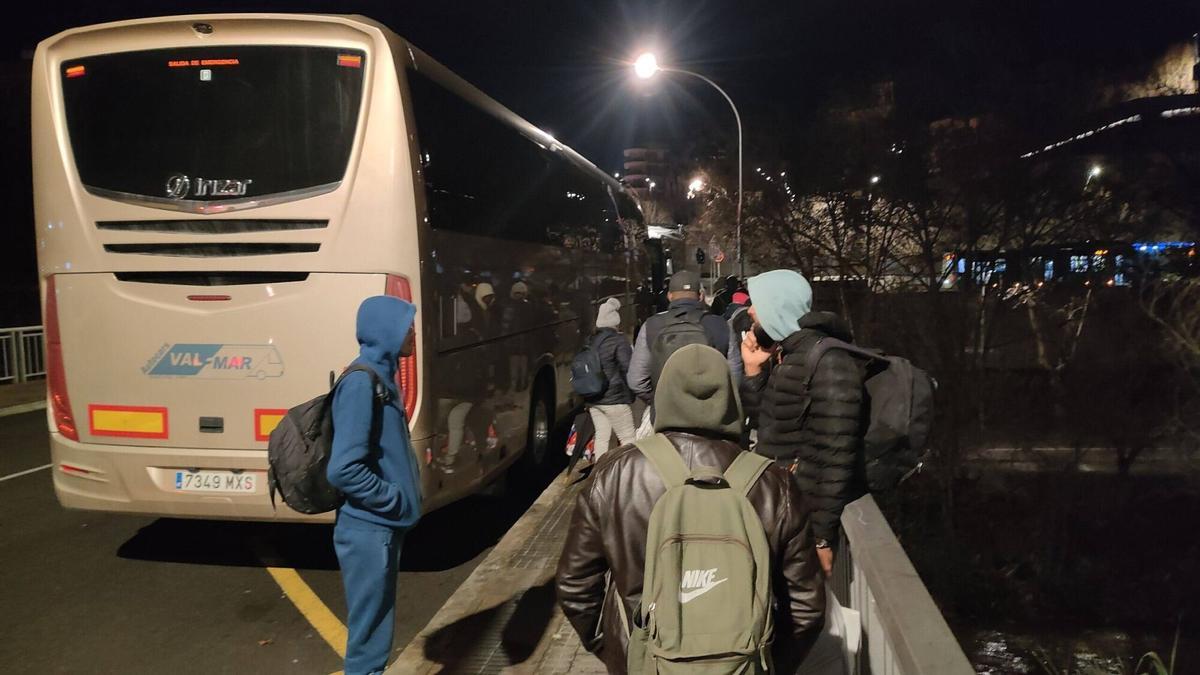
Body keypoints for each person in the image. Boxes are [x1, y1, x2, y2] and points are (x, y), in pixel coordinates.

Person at [556, 344, 826, 674]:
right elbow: (806, 607)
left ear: (663, 397)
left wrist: (618, 650)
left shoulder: (614, 474)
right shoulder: (774, 485)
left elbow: (575, 585)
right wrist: (767, 664)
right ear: (731, 399)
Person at [739, 269, 865, 577]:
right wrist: (753, 371)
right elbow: (770, 425)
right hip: (780, 511)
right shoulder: (791, 354)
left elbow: (835, 456)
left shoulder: (830, 362)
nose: (751, 310)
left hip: (801, 523)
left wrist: (821, 539)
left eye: (757, 303)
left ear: (777, 307)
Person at [327, 295, 424, 675]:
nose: (412, 333)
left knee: (376, 632)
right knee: (368, 641)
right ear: (385, 330)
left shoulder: (382, 377)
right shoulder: (362, 382)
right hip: (369, 530)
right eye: (406, 325)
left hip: (380, 528)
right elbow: (344, 468)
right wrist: (394, 500)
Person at [626, 269, 743, 407]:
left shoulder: (650, 326)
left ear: (669, 296)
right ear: (700, 296)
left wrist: (659, 402)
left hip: (666, 418)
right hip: (710, 417)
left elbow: (636, 381)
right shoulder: (721, 325)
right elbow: (735, 377)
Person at [586, 297, 637, 460]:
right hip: (615, 399)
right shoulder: (619, 340)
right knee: (629, 439)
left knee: (602, 438)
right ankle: (628, 473)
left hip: (594, 399)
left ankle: (600, 474)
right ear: (616, 321)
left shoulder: (591, 340)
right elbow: (628, 367)